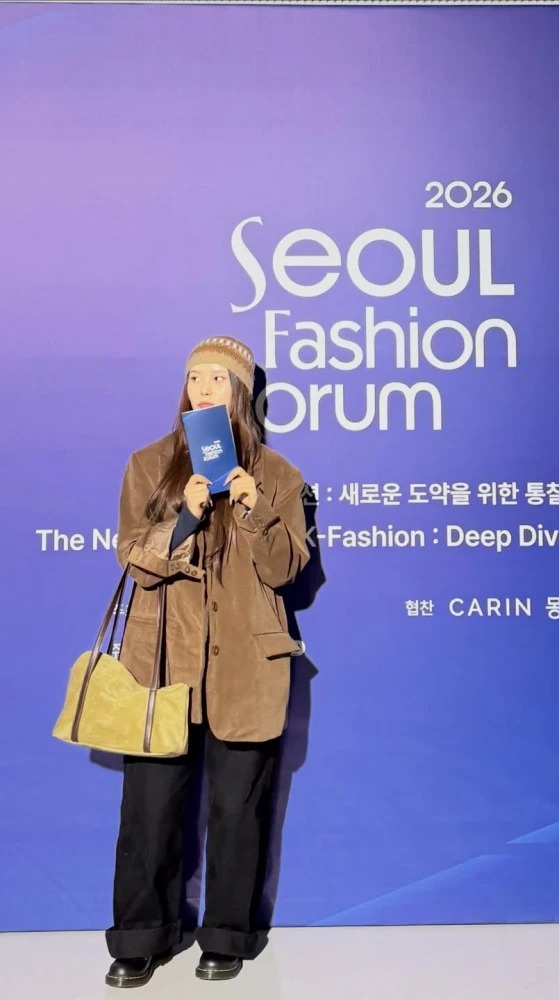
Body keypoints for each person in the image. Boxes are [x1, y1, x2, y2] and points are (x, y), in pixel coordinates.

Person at [104, 335, 310, 988]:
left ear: (241, 392)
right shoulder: (149, 464)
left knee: (237, 810)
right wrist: (183, 520)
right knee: (149, 810)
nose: (204, 389)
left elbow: (286, 571)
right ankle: (142, 936)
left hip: (247, 665)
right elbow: (133, 558)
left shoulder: (278, 474)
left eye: (219, 378)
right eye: (196, 377)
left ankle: (226, 935)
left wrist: (252, 510)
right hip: (163, 663)